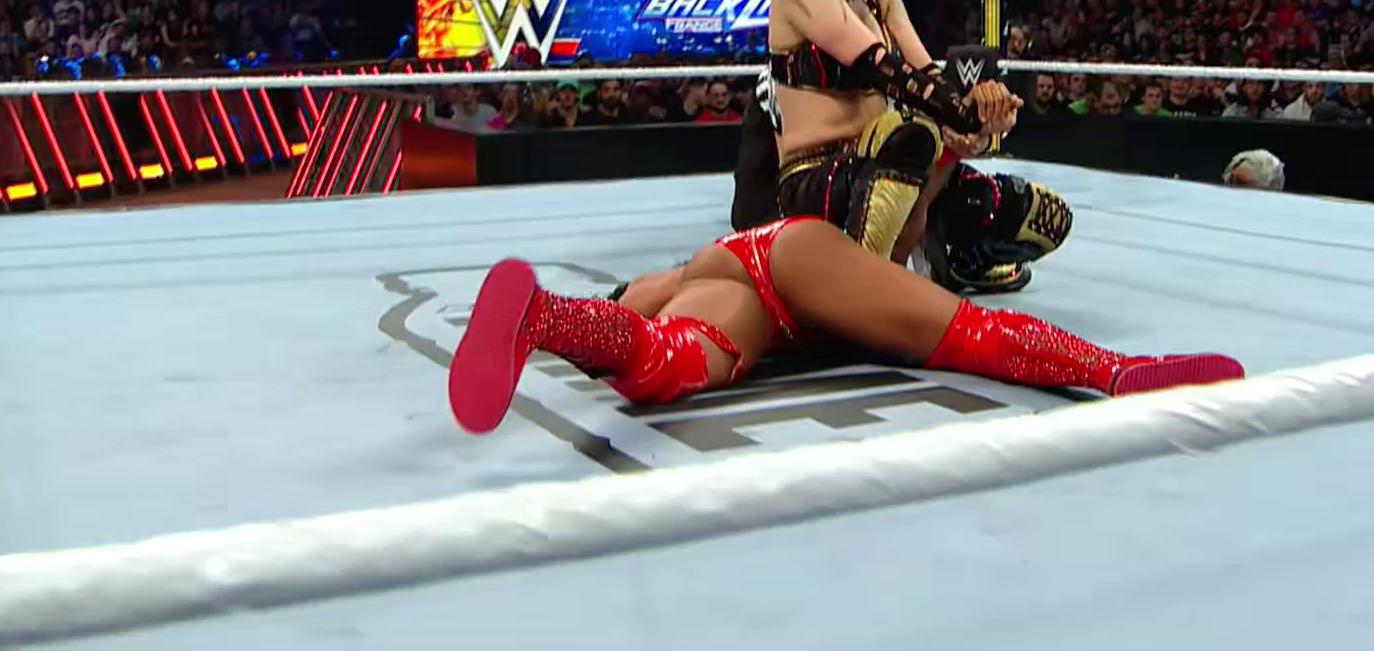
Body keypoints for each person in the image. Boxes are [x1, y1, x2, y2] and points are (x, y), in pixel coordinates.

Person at [448, 216, 1245, 432]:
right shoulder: (673, 286)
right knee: (666, 366)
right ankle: (1113, 368)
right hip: (775, 271)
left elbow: (629, 323)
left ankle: (550, 317)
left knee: (662, 358)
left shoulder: (660, 289)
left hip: (763, 269)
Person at [730, 0, 1071, 295]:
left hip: (891, 169)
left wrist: (983, 115)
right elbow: (881, 67)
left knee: (1034, 214)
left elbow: (927, 76)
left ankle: (955, 261)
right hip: (818, 180)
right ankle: (865, 290)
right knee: (912, 135)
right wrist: (961, 114)